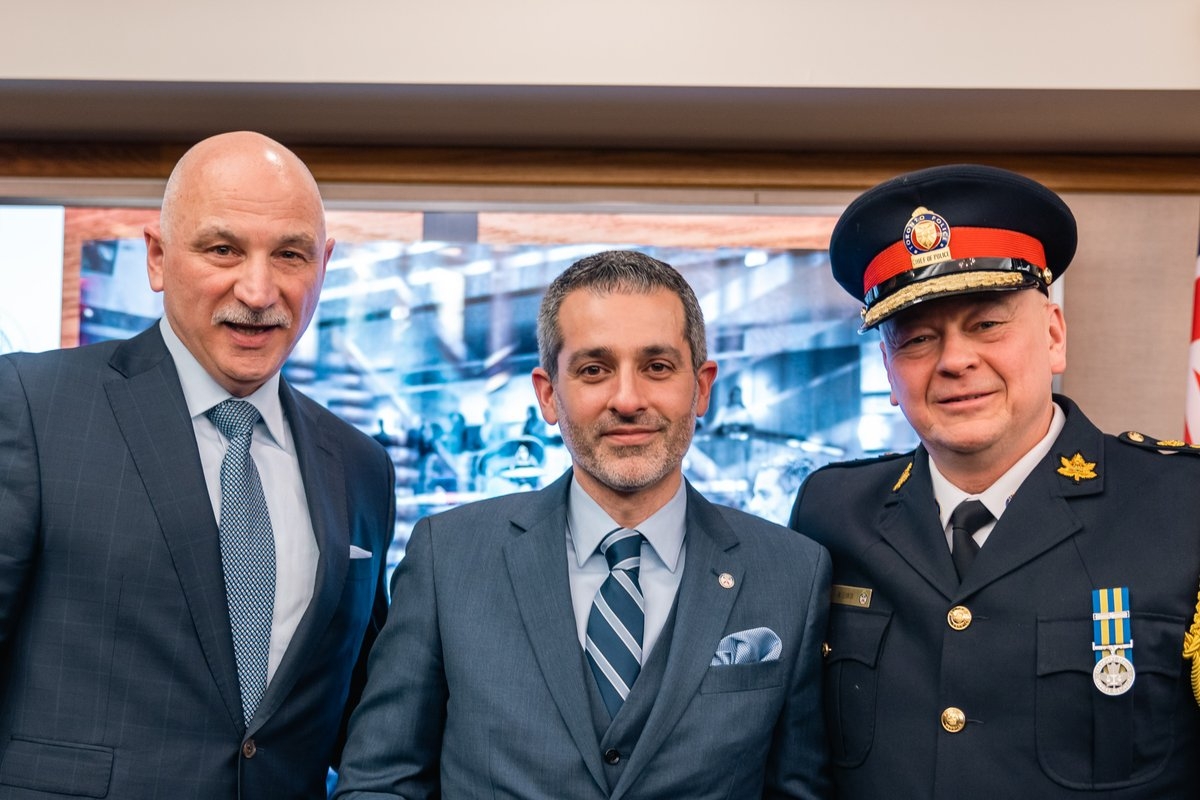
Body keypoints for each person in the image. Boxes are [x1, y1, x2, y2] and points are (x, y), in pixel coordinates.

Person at [334, 249, 832, 799]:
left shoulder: (792, 573)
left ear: (703, 387)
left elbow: (800, 789)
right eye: (594, 369)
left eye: (658, 367)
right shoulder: (446, 558)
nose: (627, 399)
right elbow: (381, 784)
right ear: (548, 395)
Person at [0, 131, 396, 799]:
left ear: (323, 265)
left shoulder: (359, 465)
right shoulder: (33, 407)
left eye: (291, 254)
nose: (259, 288)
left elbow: (362, 710)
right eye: (223, 249)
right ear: (157, 257)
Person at [789, 164, 1200, 798]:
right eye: (918, 338)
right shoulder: (833, 511)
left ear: (1055, 337)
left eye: (986, 324)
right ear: (889, 372)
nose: (955, 361)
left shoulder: (1182, 507)